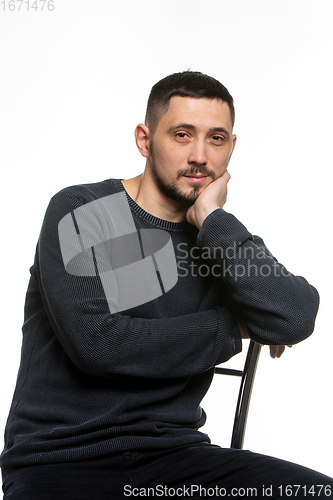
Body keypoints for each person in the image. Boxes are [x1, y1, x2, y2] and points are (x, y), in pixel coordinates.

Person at [1, 71, 332, 499]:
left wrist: (214, 221)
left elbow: (296, 315)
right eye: (181, 135)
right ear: (144, 139)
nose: (199, 155)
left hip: (177, 463)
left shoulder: (222, 240)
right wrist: (233, 326)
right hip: (61, 463)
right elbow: (98, 345)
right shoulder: (83, 212)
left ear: (232, 148)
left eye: (216, 138)